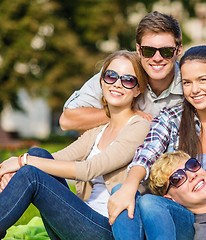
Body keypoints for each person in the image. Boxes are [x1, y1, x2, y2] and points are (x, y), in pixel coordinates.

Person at [0, 50, 150, 239]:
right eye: (111, 76)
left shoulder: (139, 126)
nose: (117, 84)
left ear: (138, 89)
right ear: (102, 81)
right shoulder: (100, 130)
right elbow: (53, 160)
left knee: (32, 173)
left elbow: (89, 169)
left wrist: (23, 162)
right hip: (79, 219)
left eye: (128, 80)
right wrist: (14, 172)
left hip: (106, 229)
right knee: (39, 154)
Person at [107, 45, 206, 239]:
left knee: (149, 202)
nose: (194, 90)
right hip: (174, 212)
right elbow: (147, 153)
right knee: (123, 190)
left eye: (202, 80)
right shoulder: (171, 118)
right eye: (187, 82)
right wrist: (129, 186)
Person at [59, 11, 184, 131]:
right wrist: (127, 114)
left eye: (166, 51)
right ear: (138, 49)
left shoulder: (190, 81)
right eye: (148, 51)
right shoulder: (119, 72)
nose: (157, 58)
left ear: (178, 50)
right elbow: (67, 121)